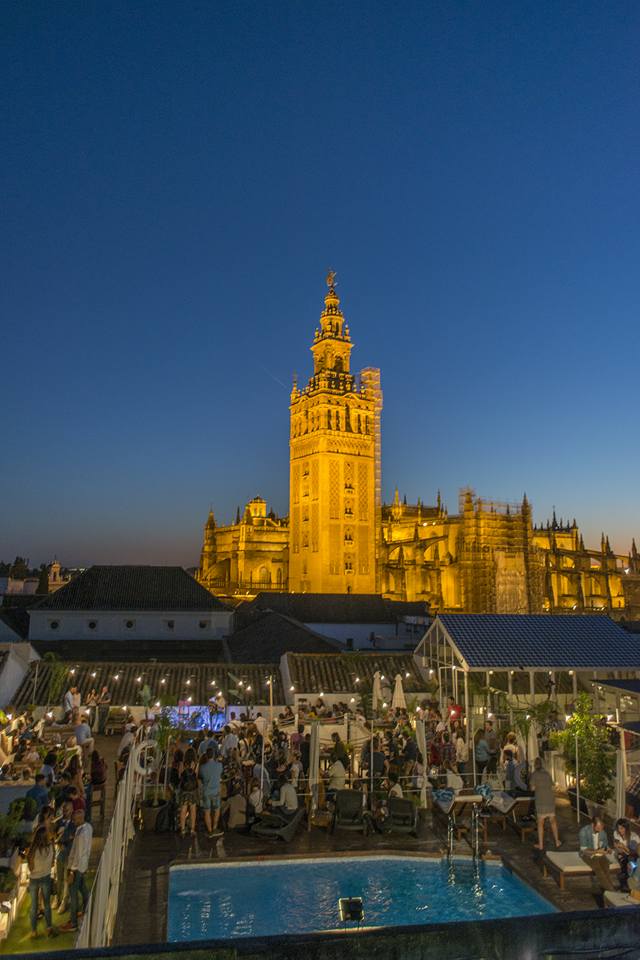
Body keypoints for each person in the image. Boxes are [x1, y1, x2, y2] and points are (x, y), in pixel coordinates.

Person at [60, 807, 92, 932]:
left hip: (77, 867)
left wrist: (72, 871)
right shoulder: (88, 828)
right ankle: (86, 910)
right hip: (83, 866)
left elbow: (78, 853)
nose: (73, 822)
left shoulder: (81, 834)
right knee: (83, 888)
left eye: (75, 820)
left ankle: (73, 923)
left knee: (73, 894)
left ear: (80, 819)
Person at [27, 825, 56, 938]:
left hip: (34, 878)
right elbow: (52, 863)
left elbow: (30, 868)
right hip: (46, 877)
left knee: (34, 905)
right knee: (47, 904)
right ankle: (49, 928)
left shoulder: (32, 851)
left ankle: (33, 931)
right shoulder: (50, 848)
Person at [529, 757, 561, 851]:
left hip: (541, 800)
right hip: (550, 800)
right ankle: (557, 841)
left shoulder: (534, 774)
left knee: (540, 823)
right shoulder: (547, 774)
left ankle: (541, 845)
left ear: (535, 765)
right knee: (553, 821)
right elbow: (552, 786)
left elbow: (532, 788)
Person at [579, 815, 614, 891]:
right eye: (598, 828)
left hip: (599, 853)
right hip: (588, 853)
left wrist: (608, 849)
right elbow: (584, 850)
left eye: (601, 828)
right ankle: (610, 889)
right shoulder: (584, 832)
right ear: (592, 825)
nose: (600, 830)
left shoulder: (602, 832)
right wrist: (597, 851)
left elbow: (605, 845)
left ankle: (608, 887)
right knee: (598, 868)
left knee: (606, 865)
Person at [53, 799, 75, 912]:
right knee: (58, 878)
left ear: (71, 810)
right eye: (64, 809)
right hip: (59, 854)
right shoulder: (58, 822)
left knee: (66, 880)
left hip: (69, 855)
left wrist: (61, 840)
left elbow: (70, 836)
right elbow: (54, 835)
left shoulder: (73, 824)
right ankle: (57, 898)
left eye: (67, 810)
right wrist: (59, 840)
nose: (65, 812)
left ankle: (64, 902)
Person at [198, 748, 223, 838]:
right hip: (216, 791)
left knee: (207, 811)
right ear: (213, 755)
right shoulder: (219, 765)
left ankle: (209, 830)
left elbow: (200, 778)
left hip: (206, 791)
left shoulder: (202, 767)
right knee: (217, 809)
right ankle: (215, 827)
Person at [614, 818, 640, 892]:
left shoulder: (634, 837)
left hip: (633, 855)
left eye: (622, 828)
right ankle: (625, 884)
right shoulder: (616, 833)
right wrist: (618, 848)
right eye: (618, 828)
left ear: (627, 828)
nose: (619, 830)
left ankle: (626, 884)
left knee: (629, 862)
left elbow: (636, 851)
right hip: (622, 854)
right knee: (623, 860)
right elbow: (616, 844)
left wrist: (625, 848)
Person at [178, 749, 199, 836]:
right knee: (193, 810)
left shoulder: (182, 764)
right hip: (193, 790)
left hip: (184, 790)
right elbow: (196, 776)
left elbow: (180, 776)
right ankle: (192, 830)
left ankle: (182, 829)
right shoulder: (196, 764)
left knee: (183, 809)